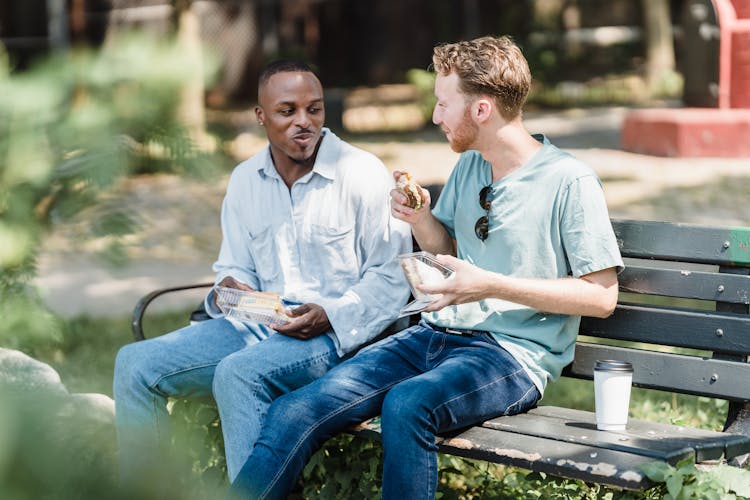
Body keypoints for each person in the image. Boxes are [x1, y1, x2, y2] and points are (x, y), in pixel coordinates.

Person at [228, 35, 624, 500]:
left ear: (480, 110)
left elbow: (602, 296)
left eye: (443, 103)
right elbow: (449, 247)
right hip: (435, 333)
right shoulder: (472, 167)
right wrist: (420, 219)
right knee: (297, 409)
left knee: (407, 404)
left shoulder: (568, 181)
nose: (435, 116)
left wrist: (490, 285)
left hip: (512, 353)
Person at [112, 60, 412, 484]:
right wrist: (231, 288)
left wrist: (330, 314)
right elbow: (232, 266)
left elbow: (392, 276)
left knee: (239, 375)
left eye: (315, 109)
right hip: (260, 325)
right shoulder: (245, 180)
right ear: (261, 116)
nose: (303, 122)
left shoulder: (361, 173)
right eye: (287, 111)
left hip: (339, 334)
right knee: (134, 364)